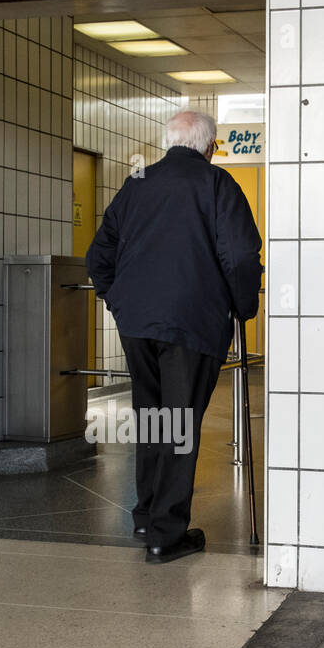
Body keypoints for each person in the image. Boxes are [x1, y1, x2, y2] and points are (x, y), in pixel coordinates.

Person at [85, 110, 263, 564]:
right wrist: (244, 306)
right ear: (209, 146)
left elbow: (99, 252)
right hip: (192, 321)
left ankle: (146, 515)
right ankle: (165, 533)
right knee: (179, 421)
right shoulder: (217, 184)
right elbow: (241, 254)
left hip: (138, 323)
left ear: (170, 142)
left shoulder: (137, 181)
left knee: (153, 417)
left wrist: (118, 299)